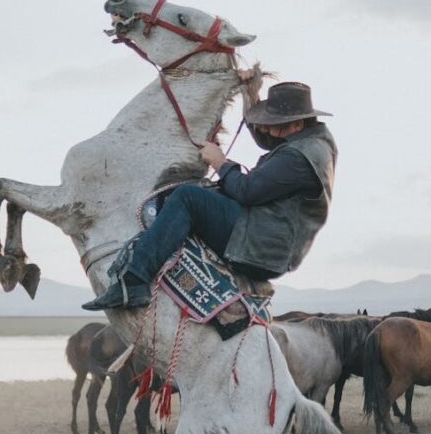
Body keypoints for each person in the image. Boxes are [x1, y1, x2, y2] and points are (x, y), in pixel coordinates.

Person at [82, 81, 337, 311]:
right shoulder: (310, 142)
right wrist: (251, 95)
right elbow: (269, 141)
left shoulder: (298, 157)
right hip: (267, 240)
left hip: (257, 243)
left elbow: (246, 191)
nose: (268, 131)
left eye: (275, 125)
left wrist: (220, 162)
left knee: (187, 197)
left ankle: (134, 282)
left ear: (296, 124)